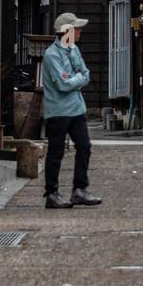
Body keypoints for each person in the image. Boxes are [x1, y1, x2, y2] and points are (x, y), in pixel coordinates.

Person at [42, 12, 102, 210]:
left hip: (76, 108)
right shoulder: (51, 55)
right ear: (66, 31)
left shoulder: (74, 49)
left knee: (84, 146)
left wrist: (76, 78)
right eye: (76, 28)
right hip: (58, 111)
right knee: (56, 152)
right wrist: (77, 79)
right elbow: (63, 84)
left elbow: (85, 73)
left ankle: (79, 189)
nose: (79, 32)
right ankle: (51, 193)